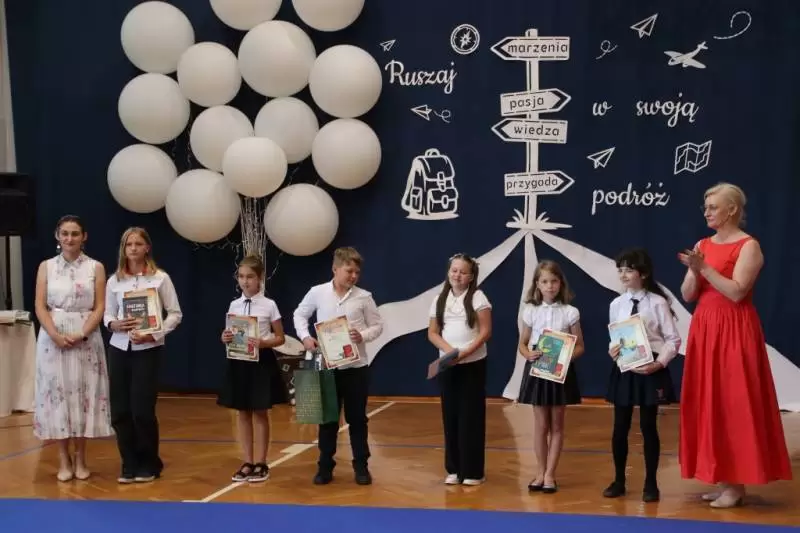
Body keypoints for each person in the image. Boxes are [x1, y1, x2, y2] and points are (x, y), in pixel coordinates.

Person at [678, 182, 792, 508]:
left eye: (713, 206)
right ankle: (723, 478)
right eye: (705, 207)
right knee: (710, 402)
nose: (707, 212)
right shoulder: (702, 244)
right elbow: (688, 294)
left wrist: (704, 268)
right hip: (705, 328)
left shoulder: (749, 246)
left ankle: (736, 485)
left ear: (732, 210)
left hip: (734, 330)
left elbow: (737, 292)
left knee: (733, 402)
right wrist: (693, 272)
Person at [293, 247, 384, 485]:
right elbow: (299, 315)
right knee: (327, 420)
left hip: (356, 368)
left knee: (357, 419)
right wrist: (305, 337)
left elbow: (377, 326)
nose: (353, 276)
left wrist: (362, 335)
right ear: (335, 269)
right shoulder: (317, 292)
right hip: (326, 366)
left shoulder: (364, 297)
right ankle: (325, 466)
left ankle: (361, 466)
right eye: (349, 271)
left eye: (357, 272)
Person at [32, 215, 113, 481]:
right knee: (58, 397)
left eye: (75, 233)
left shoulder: (95, 267)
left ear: (84, 236)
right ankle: (63, 458)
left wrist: (81, 333)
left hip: (85, 338)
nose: (69, 238)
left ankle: (80, 457)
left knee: (82, 396)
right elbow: (39, 305)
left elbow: (100, 306)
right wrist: (54, 334)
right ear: (57, 235)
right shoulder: (46, 267)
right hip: (52, 338)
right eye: (65, 233)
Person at [104, 227, 182, 484]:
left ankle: (149, 463)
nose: (133, 248)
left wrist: (155, 334)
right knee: (120, 410)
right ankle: (128, 462)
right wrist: (114, 324)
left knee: (142, 410)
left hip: (147, 350)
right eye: (129, 244)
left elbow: (175, 313)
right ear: (123, 249)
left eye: (138, 244)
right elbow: (108, 314)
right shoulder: (114, 281)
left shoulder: (160, 278)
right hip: (119, 348)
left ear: (147, 247)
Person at [603, 248, 681, 503]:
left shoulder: (657, 303)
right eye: (620, 270)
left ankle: (651, 483)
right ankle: (618, 480)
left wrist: (659, 363)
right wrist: (613, 350)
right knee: (620, 427)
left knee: (648, 426)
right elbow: (615, 337)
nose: (623, 275)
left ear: (643, 273)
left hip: (650, 367)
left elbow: (672, 339)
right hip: (625, 368)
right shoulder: (617, 304)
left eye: (629, 270)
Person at [516, 260, 584, 494]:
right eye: (545, 281)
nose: (550, 286)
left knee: (556, 424)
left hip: (560, 372)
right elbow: (522, 344)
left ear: (560, 283)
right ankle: (539, 471)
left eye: (554, 281)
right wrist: (528, 354)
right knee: (540, 425)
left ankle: (550, 475)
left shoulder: (570, 312)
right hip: (538, 370)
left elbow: (580, 346)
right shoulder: (530, 311)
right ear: (537, 284)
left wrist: (564, 358)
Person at [219, 255, 288, 482]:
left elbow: (280, 337)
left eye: (250, 277)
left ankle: (261, 462)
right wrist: (225, 337)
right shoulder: (234, 305)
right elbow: (230, 333)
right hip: (239, 361)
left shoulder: (269, 305)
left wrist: (264, 342)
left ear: (259, 279)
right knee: (242, 411)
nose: (245, 281)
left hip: (261, 362)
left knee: (260, 411)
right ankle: (247, 461)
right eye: (241, 276)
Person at [427, 253, 492, 486]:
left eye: (463, 272)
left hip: (472, 365)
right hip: (448, 365)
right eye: (454, 270)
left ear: (471, 276)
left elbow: (485, 332)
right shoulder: (439, 299)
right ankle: (454, 468)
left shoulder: (478, 297)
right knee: (451, 415)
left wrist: (464, 353)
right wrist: (450, 352)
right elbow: (432, 332)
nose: (457, 275)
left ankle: (473, 471)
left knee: (470, 416)